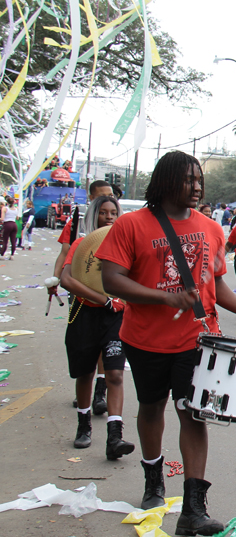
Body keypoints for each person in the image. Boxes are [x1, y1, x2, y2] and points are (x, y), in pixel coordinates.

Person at [96, 150, 236, 534]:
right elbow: (111, 279)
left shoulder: (211, 228)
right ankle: (153, 480)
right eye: (188, 180)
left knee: (192, 413)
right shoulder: (130, 225)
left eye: (199, 180)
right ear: (166, 182)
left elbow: (215, 283)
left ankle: (193, 508)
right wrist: (164, 297)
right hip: (144, 340)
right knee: (151, 407)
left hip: (196, 339)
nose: (196, 187)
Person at [60, 195, 134, 460]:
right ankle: (84, 425)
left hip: (115, 319)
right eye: (103, 212)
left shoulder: (126, 247)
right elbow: (67, 279)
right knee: (85, 373)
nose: (109, 217)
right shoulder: (81, 244)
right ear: (94, 215)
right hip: (86, 315)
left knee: (115, 374)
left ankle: (115, 436)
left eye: (113, 212)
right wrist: (104, 300)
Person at [50, 180, 114, 412]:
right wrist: (55, 279)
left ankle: (100, 392)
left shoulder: (119, 229)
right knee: (87, 347)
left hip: (111, 295)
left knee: (107, 347)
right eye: (101, 197)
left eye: (111, 196)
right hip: (82, 292)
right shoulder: (76, 222)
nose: (107, 200)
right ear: (91, 199)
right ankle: (85, 391)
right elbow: (65, 253)